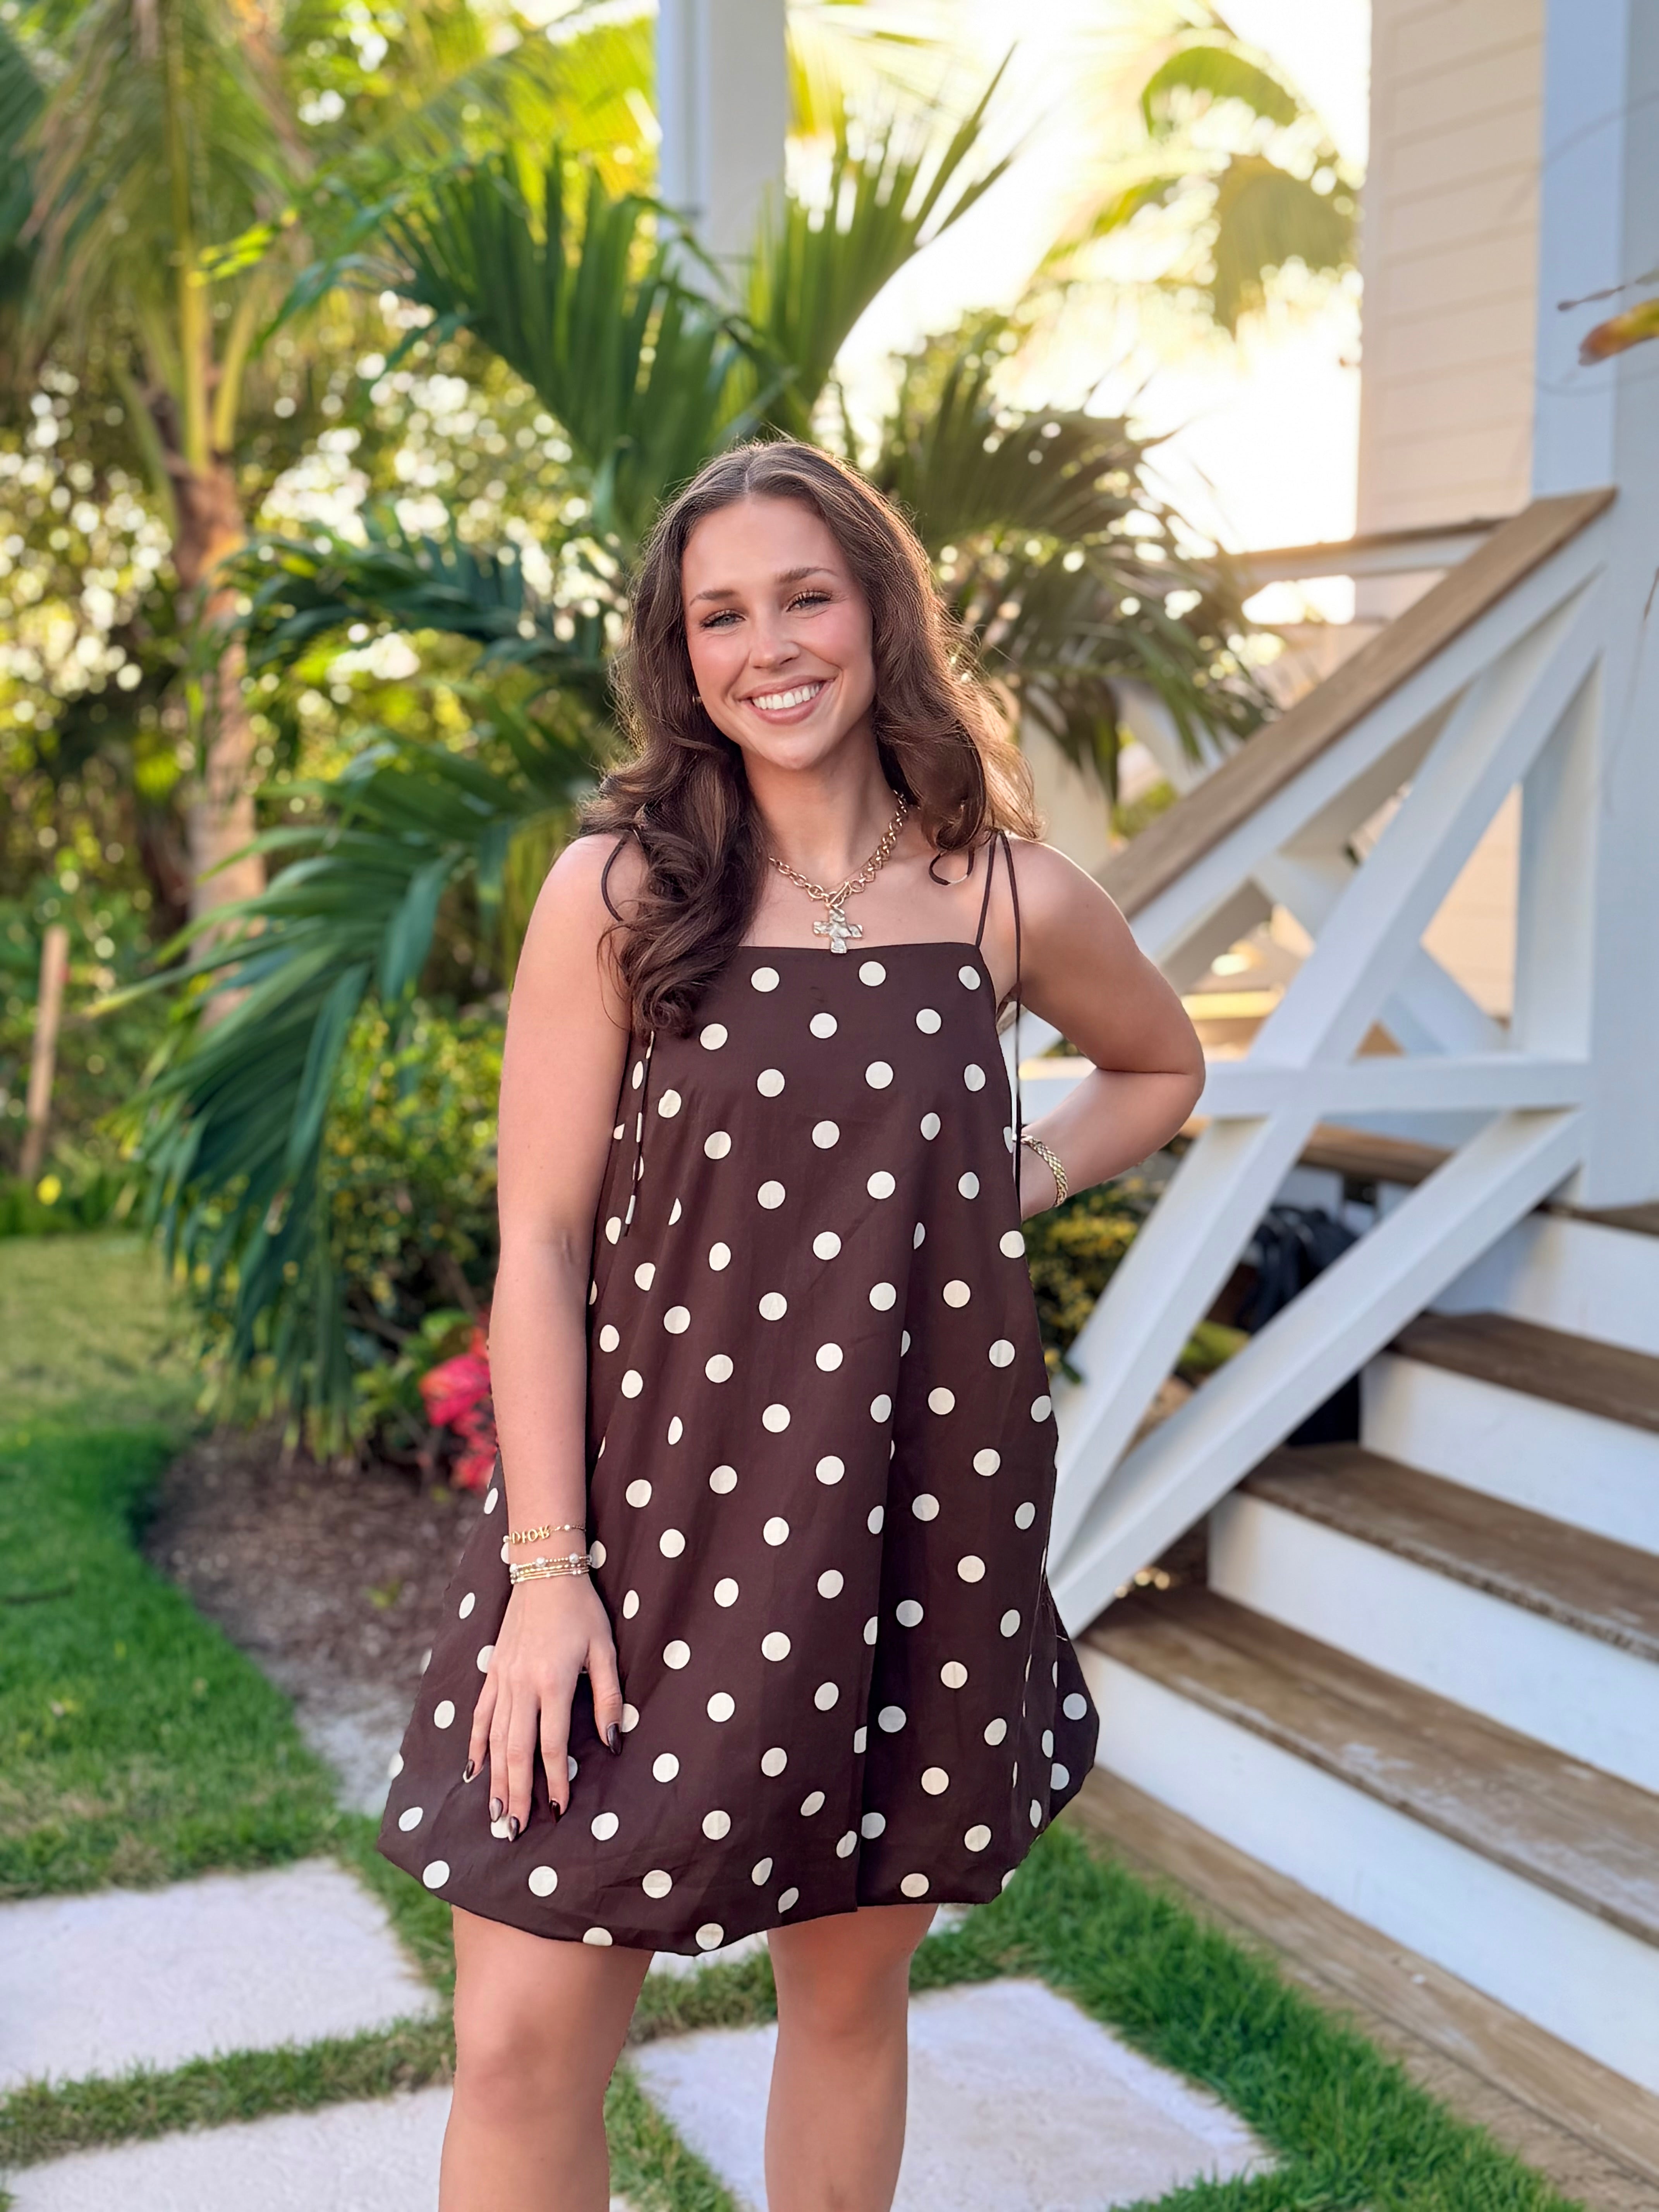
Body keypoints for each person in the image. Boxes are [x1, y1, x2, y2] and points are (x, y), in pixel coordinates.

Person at [379, 440, 1206, 2212]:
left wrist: (1000, 1188)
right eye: (722, 615)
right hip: (638, 1521)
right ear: (681, 657)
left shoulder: (1004, 898)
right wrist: (546, 1574)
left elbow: (1160, 1065)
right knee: (520, 2044)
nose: (770, 647)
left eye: (806, 597)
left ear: (879, 613)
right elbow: (539, 1244)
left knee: (843, 1999)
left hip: (907, 1517)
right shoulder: (621, 891)